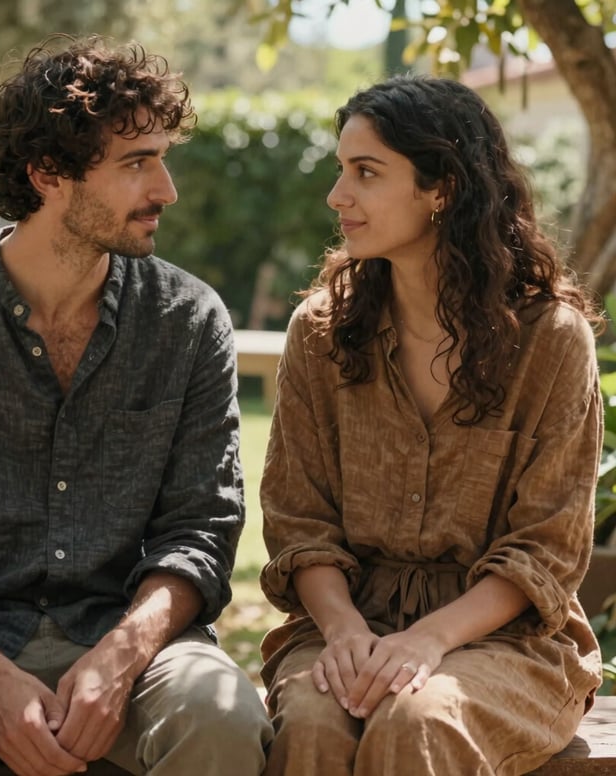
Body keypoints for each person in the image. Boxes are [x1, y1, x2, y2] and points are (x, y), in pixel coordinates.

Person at [0, 34, 272, 776]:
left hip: (132, 645)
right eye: (137, 162)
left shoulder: (189, 320)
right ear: (48, 174)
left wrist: (122, 654)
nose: (166, 189)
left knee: (223, 719)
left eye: (161, 158)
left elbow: (201, 527)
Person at [258, 73, 604, 776]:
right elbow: (299, 522)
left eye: (366, 172)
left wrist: (426, 641)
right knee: (318, 726)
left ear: (441, 188)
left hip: (508, 642)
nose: (337, 196)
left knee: (416, 721)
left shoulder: (551, 341)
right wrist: (346, 631)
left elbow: (545, 550)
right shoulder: (319, 334)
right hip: (343, 625)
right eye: (340, 170)